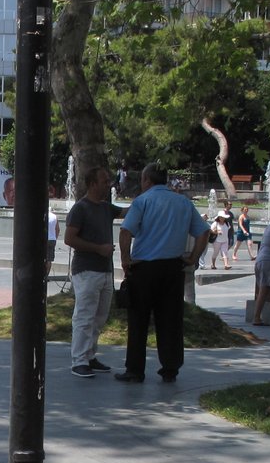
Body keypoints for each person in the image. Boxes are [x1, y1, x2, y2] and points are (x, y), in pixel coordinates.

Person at [116, 163, 209, 383]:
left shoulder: (142, 201)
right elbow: (203, 232)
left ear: (147, 180)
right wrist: (193, 258)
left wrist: (125, 260)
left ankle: (135, 369)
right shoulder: (183, 203)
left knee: (138, 319)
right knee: (171, 319)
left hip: (144, 268)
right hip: (172, 268)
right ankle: (170, 368)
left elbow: (125, 231)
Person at [65, 165, 117, 378]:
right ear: (93, 183)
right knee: (85, 316)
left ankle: (90, 355)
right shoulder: (80, 208)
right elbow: (69, 239)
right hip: (86, 270)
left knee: (99, 316)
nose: (108, 184)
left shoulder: (106, 208)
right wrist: (98, 248)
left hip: (105, 271)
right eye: (104, 181)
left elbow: (127, 211)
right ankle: (79, 361)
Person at [45, 205, 59, 280]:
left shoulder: (44, 216)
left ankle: (41, 275)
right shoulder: (55, 217)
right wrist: (55, 238)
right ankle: (46, 276)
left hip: (44, 239)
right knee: (49, 259)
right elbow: (57, 229)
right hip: (52, 239)